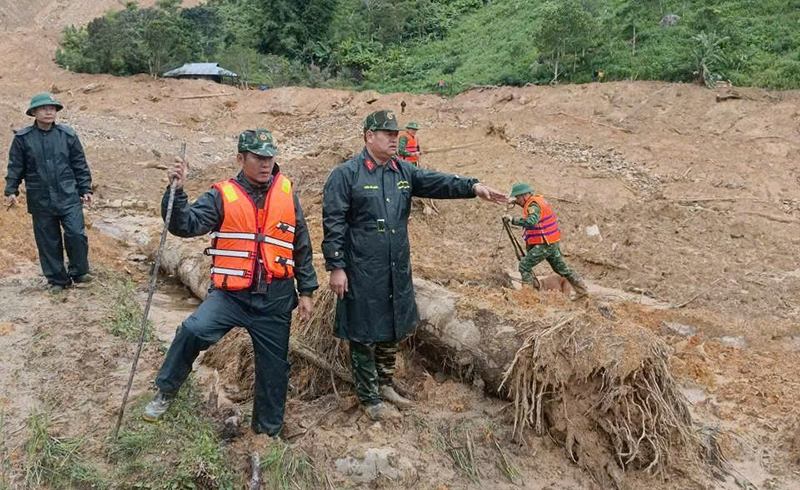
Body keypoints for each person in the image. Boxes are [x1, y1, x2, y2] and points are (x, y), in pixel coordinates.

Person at [322, 110, 507, 420]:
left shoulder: (402, 171)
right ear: (369, 136)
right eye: (388, 134)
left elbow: (436, 181)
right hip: (362, 268)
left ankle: (385, 382)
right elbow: (334, 222)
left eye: (396, 133)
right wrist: (336, 267)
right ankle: (369, 399)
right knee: (364, 331)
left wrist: (473, 187)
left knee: (392, 325)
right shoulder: (347, 174)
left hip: (395, 266)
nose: (395, 138)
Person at [143, 129, 318, 438]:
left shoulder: (287, 193)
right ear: (241, 158)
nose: (266, 164)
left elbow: (300, 244)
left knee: (274, 368)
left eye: (270, 157)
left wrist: (306, 290)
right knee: (193, 330)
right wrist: (176, 191)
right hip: (231, 295)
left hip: (275, 298)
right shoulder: (223, 195)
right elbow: (185, 224)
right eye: (258, 158)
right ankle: (166, 390)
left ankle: (267, 432)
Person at [4, 92, 93, 293]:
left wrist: (85, 188)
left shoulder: (68, 135)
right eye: (44, 108)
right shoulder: (23, 139)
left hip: (68, 195)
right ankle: (57, 280)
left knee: (76, 233)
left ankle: (79, 272)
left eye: (52, 108)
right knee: (47, 240)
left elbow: (79, 164)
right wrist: (11, 189)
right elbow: (16, 166)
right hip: (40, 198)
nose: (49, 111)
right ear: (34, 112)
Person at [503, 183, 589, 299]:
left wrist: (513, 220)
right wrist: (513, 202)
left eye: (517, 198)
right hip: (551, 241)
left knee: (524, 265)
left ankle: (527, 296)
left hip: (545, 243)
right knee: (562, 269)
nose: (517, 201)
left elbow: (531, 221)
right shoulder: (536, 200)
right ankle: (582, 291)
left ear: (524, 195)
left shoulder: (533, 205)